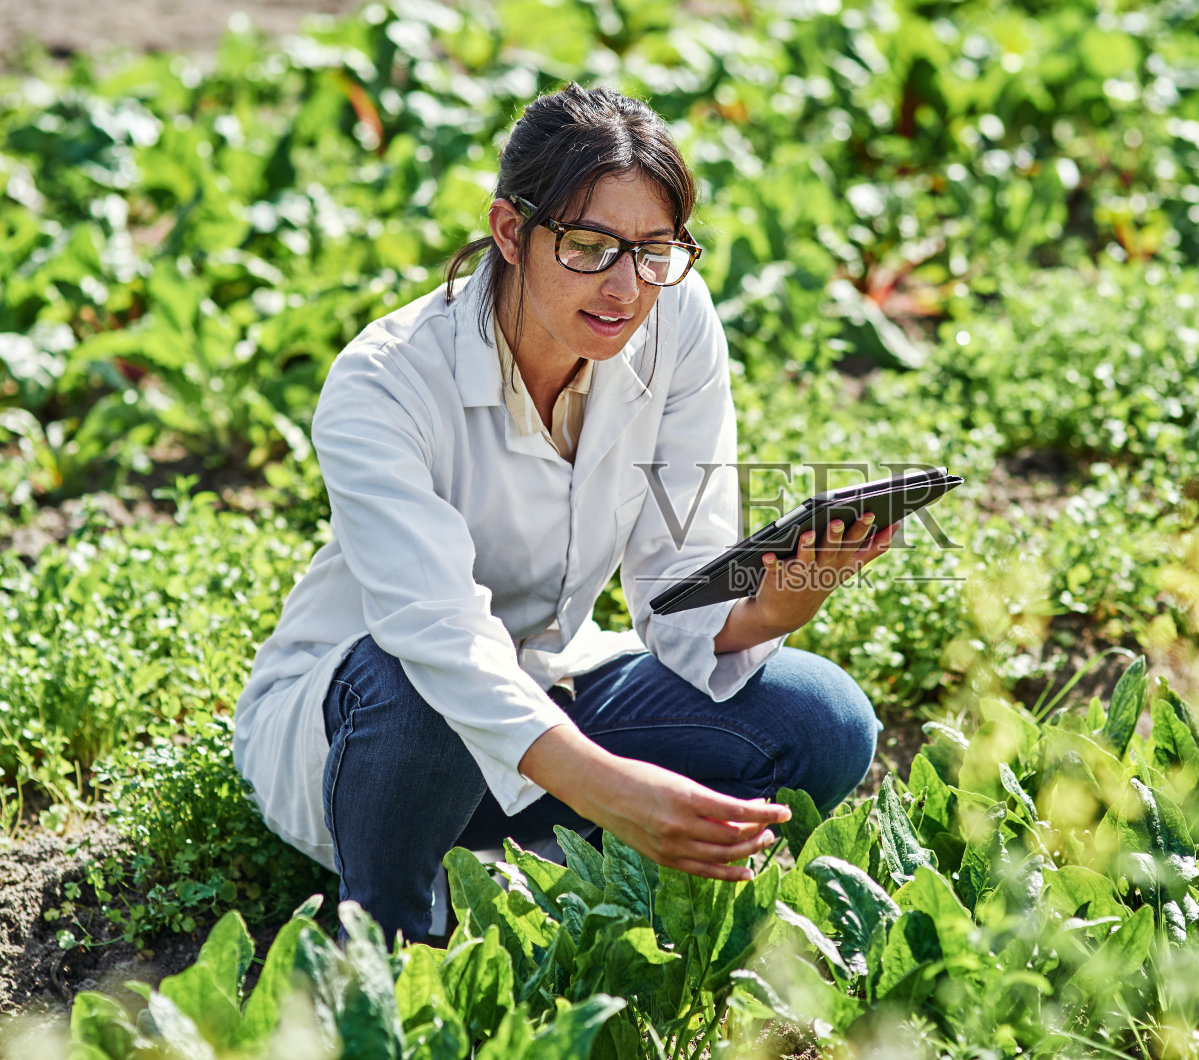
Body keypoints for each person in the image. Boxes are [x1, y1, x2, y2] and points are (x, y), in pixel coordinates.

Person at [233, 85, 894, 944]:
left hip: (548, 688)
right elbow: (439, 636)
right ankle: (393, 932)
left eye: (654, 251)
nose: (626, 287)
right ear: (511, 232)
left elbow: (680, 583)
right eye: (589, 246)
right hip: (367, 731)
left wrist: (794, 592)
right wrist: (614, 788)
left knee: (822, 720)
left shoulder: (675, 320)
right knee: (423, 683)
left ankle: (561, 872)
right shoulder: (384, 382)